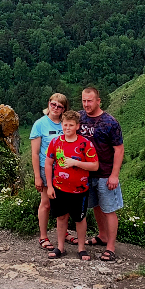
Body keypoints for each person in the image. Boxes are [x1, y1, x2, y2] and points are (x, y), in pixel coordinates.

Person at [78, 86, 125, 262]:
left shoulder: (110, 122)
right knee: (96, 206)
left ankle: (111, 247)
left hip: (105, 173)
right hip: (86, 173)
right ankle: (102, 235)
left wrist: (115, 175)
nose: (86, 104)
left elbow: (119, 150)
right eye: (83, 100)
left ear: (98, 101)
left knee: (109, 209)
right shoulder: (79, 117)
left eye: (90, 101)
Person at [43, 110, 98, 259]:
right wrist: (49, 185)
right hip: (59, 188)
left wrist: (75, 163)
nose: (67, 128)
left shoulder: (85, 143)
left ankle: (81, 248)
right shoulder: (55, 142)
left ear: (77, 126)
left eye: (71, 125)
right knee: (61, 217)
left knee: (80, 219)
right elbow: (48, 164)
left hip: (79, 190)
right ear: (62, 125)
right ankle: (60, 247)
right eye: (65, 124)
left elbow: (95, 165)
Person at [29, 93, 68, 250]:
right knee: (46, 203)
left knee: (65, 203)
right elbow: (35, 153)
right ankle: (43, 236)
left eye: (59, 106)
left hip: (65, 169)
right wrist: (37, 176)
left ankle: (63, 233)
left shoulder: (66, 123)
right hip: (47, 170)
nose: (56, 108)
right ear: (49, 104)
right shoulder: (40, 124)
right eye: (53, 104)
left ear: (64, 109)